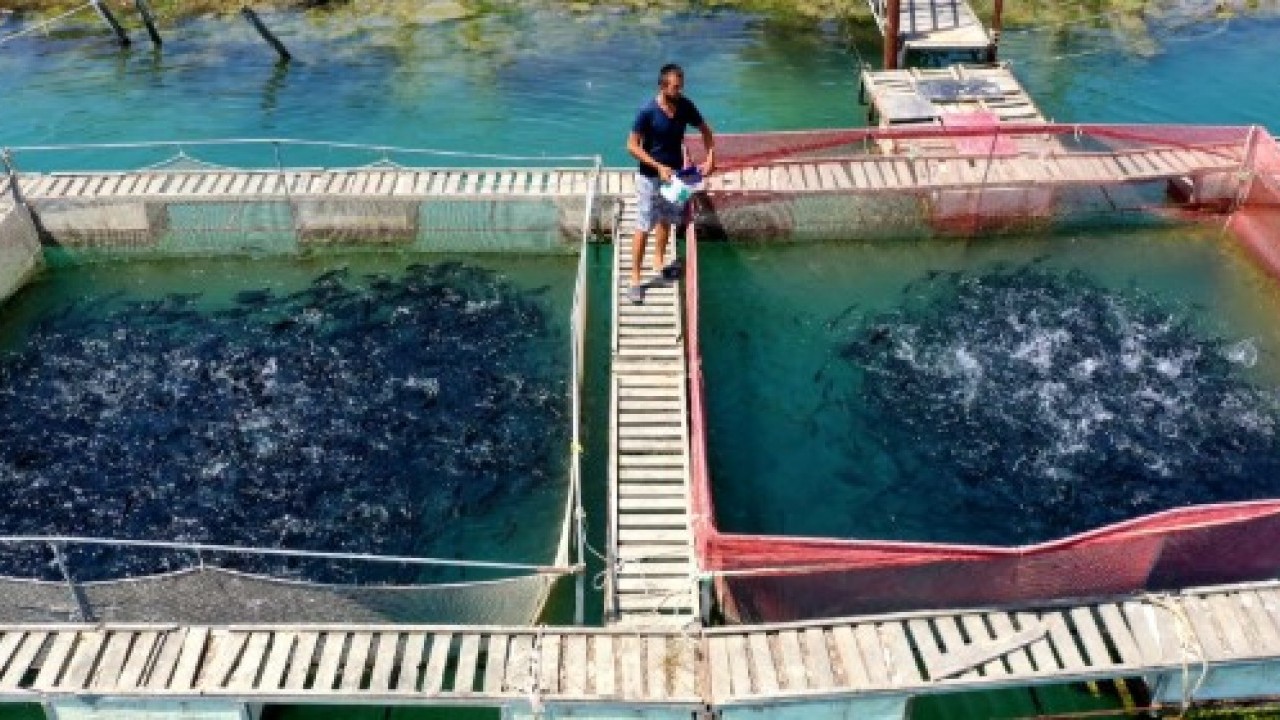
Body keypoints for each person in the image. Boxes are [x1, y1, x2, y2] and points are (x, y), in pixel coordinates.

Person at [625, 63, 715, 304]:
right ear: (662, 86)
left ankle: (658, 261)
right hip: (649, 177)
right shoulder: (646, 111)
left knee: (666, 219)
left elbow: (706, 130)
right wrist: (658, 167)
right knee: (644, 225)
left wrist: (710, 159)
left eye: (681, 87)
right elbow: (631, 146)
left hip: (677, 176)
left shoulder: (685, 106)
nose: (679, 91)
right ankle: (634, 279)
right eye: (675, 87)